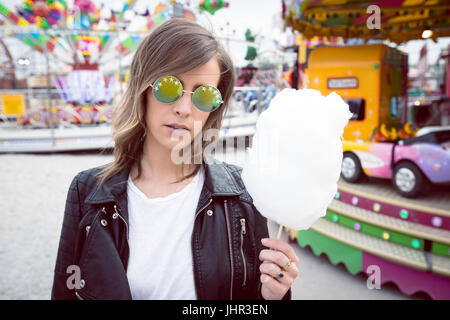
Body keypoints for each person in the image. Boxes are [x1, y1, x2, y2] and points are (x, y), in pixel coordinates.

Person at [51, 18, 299, 300]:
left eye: (204, 96)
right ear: (142, 89)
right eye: (169, 87)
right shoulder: (87, 192)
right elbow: (66, 293)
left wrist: (272, 295)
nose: (184, 108)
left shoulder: (244, 194)